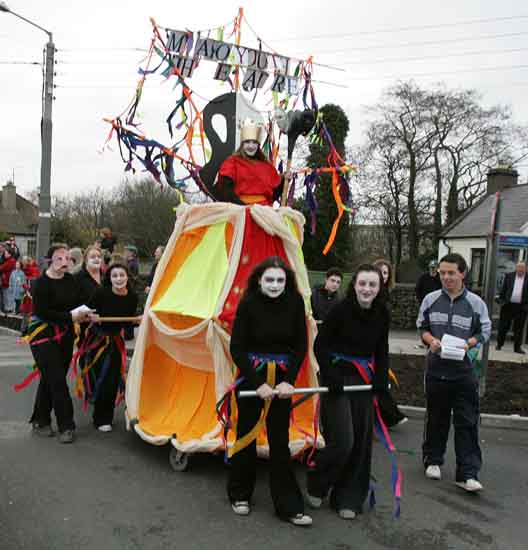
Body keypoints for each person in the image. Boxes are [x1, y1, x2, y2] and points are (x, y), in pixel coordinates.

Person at [228, 256, 312, 526]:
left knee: (279, 441)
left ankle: (288, 505)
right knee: (246, 435)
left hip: (282, 383)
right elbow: (237, 349)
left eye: (280, 280)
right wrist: (258, 384)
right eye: (270, 280)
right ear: (259, 280)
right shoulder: (249, 303)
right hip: (252, 379)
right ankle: (239, 494)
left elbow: (300, 346)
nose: (275, 285)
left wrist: (289, 381)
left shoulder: (295, 302)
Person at [306, 264, 390, 520]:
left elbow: (382, 349)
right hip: (337, 378)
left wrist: (381, 377)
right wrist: (330, 376)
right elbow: (320, 345)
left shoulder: (382, 313)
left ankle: (348, 496)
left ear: (379, 288)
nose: (367, 289)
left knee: (362, 443)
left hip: (363, 381)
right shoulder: (340, 311)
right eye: (362, 284)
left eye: (372, 285)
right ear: (354, 285)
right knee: (344, 441)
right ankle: (317, 484)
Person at [417, 253, 491, 492]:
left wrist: (469, 343)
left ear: (462, 273)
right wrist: (431, 341)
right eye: (442, 272)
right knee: (436, 417)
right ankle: (433, 460)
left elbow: (485, 331)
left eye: (451, 272)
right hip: (437, 369)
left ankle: (467, 473)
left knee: (467, 421)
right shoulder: (430, 299)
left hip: (464, 371)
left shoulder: (476, 304)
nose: (446, 277)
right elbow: (422, 327)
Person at [28, 244, 91, 443]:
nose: (64, 262)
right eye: (59, 258)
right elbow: (43, 312)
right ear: (50, 261)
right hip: (42, 335)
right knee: (57, 380)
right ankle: (66, 426)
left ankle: (40, 420)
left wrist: (86, 313)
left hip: (64, 335)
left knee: (50, 378)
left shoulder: (71, 281)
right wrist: (71, 316)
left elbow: (80, 302)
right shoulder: (40, 283)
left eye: (67, 258)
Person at [79, 263, 138, 431]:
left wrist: (136, 320)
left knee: (111, 380)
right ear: (109, 279)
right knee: (98, 377)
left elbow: (128, 324)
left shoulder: (132, 297)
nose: (118, 279)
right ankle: (97, 410)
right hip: (96, 339)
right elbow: (86, 311)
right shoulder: (101, 292)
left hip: (115, 341)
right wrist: (91, 316)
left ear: (127, 277)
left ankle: (104, 418)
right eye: (114, 276)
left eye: (122, 275)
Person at [215, 119, 284, 206]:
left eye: (254, 142)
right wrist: (242, 207)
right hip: (240, 210)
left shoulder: (267, 166)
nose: (251, 146)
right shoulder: (232, 162)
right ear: (242, 144)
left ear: (258, 145)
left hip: (264, 213)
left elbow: (273, 194)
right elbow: (225, 191)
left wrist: (284, 180)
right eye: (247, 142)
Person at [373, 258, 408, 428]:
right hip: (369, 346)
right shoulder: (372, 293)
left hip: (380, 344)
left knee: (380, 380)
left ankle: (388, 415)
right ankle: (390, 415)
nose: (382, 275)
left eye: (385, 272)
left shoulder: (386, 295)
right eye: (379, 271)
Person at [496, 261, 528, 354]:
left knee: (519, 328)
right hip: (508, 305)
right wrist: (501, 301)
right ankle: (499, 344)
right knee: (503, 326)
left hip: (522, 307)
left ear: (526, 269)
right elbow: (504, 289)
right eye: (518, 267)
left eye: (522, 268)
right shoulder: (509, 276)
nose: (520, 270)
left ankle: (517, 348)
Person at [0, 247, 16, 313]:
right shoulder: (10, 260)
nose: (4, 254)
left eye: (6, 253)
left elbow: (1, 268)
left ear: (10, 254)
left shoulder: (10, 261)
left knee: (7, 297)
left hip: (7, 282)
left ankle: (8, 311)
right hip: (7, 282)